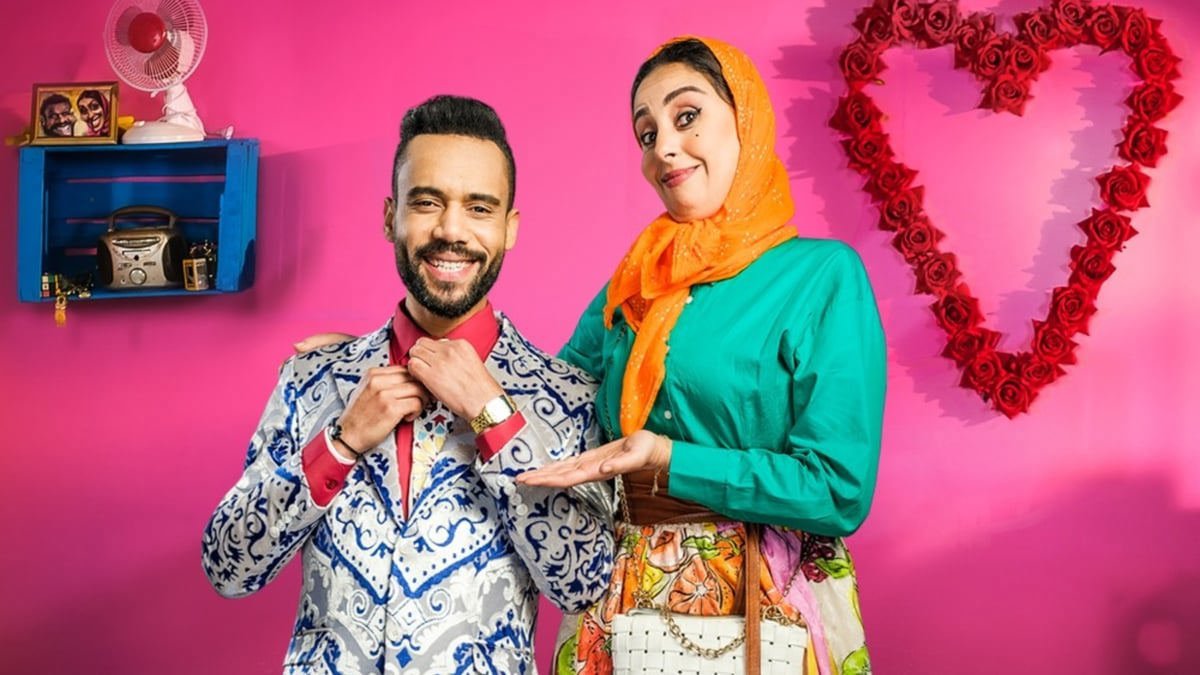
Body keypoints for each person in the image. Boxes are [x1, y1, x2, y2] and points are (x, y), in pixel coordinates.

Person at [201, 94, 614, 674]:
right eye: (426, 202)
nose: (450, 230)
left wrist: (494, 418)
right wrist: (340, 443)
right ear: (389, 215)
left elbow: (584, 583)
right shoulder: (312, 378)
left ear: (509, 228)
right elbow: (228, 567)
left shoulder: (567, 399)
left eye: (479, 208)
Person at [516, 37, 887, 675]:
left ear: (745, 120)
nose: (663, 147)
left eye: (686, 116)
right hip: (617, 594)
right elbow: (549, 401)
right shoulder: (635, 284)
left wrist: (670, 459)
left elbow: (837, 489)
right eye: (646, 133)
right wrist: (404, 346)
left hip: (762, 599)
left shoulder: (822, 277)